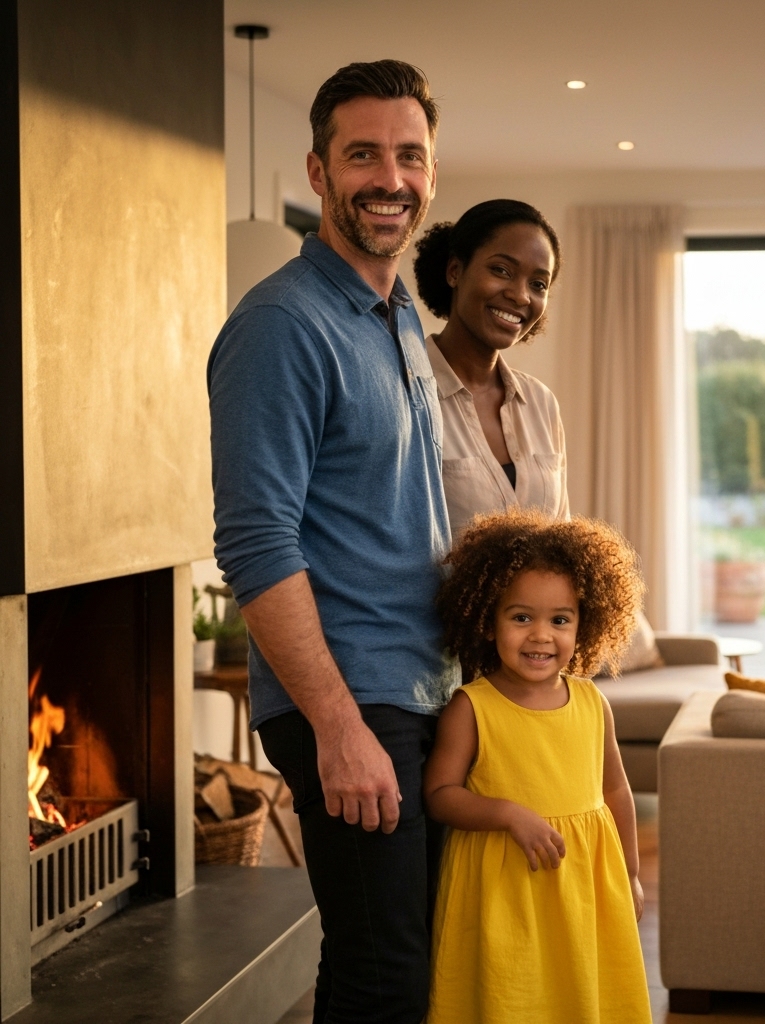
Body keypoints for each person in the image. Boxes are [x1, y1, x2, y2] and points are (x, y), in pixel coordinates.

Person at [207, 60, 459, 1024]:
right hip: (353, 700)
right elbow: (255, 540)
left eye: (410, 156)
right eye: (363, 155)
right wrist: (338, 727)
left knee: (414, 961)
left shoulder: (398, 315)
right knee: (381, 973)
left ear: (431, 172)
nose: (390, 178)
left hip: (421, 687)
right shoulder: (281, 325)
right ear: (318, 171)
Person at [423, 508, 653, 1023]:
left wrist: (632, 874)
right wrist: (508, 814)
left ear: (585, 623)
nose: (541, 636)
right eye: (521, 617)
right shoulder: (472, 706)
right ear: (488, 620)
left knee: (578, 996)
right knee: (512, 999)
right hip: (502, 895)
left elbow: (616, 791)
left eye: (560, 620)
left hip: (582, 890)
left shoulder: (593, 703)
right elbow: (439, 795)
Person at [412, 200, 569, 538]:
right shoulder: (406, 392)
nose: (521, 296)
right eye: (501, 270)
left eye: (538, 284)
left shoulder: (541, 403)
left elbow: (561, 540)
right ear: (455, 271)